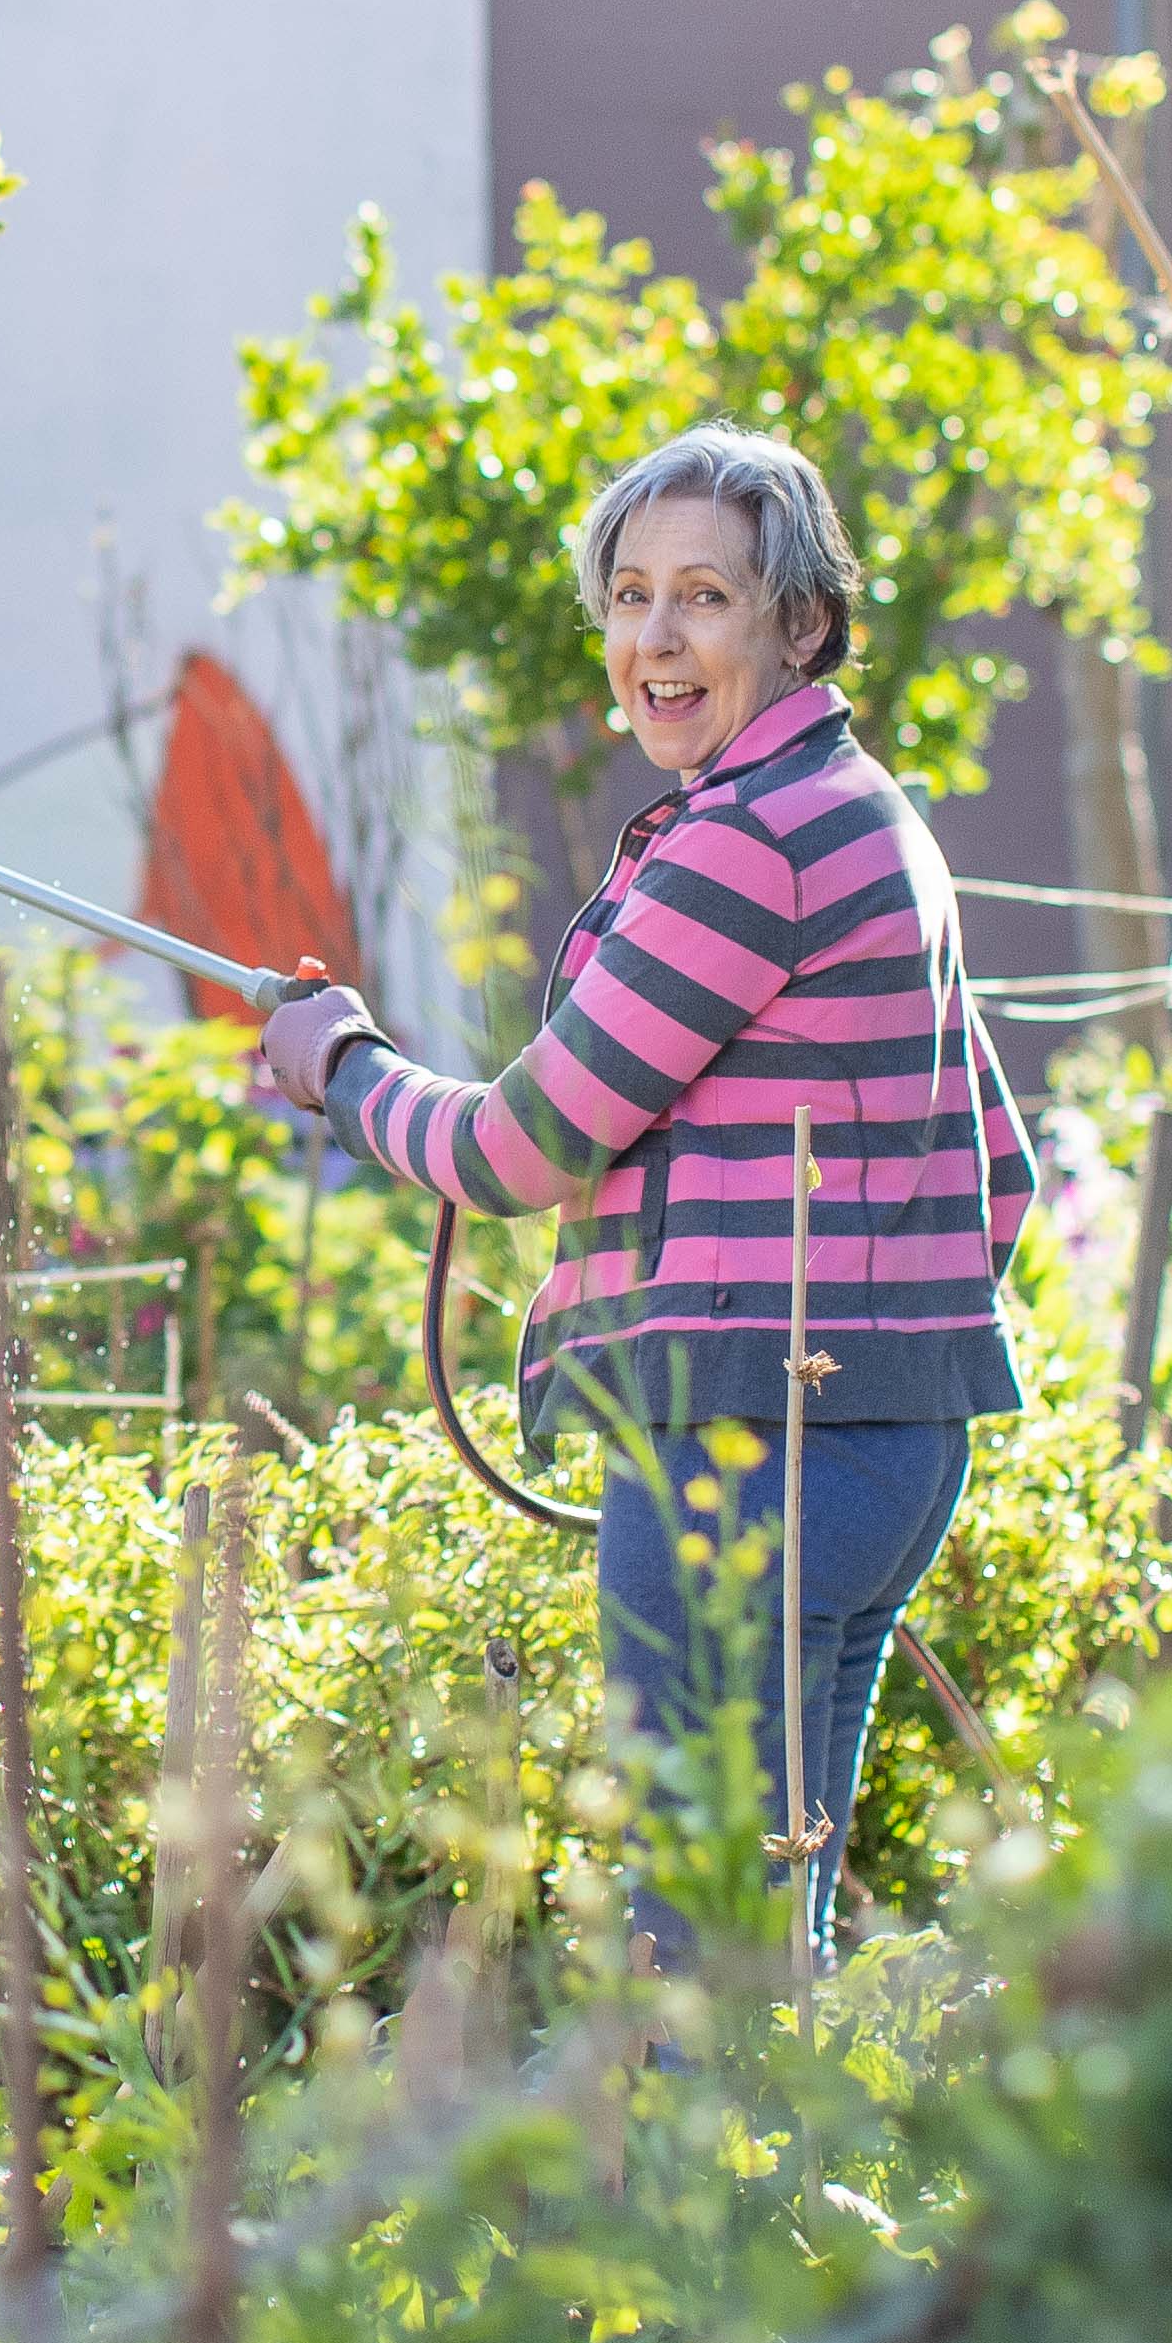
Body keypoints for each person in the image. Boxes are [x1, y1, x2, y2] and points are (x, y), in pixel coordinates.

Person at [257, 422, 1031, 1964]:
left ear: (801, 624)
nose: (654, 641)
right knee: (766, 1928)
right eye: (629, 597)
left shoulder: (752, 842)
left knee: (700, 1952)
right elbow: (996, 1172)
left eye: (704, 600)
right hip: (877, 1448)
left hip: (747, 1455)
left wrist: (338, 1067)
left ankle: (712, 2206)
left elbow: (520, 1150)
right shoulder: (864, 812)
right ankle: (792, 2200)